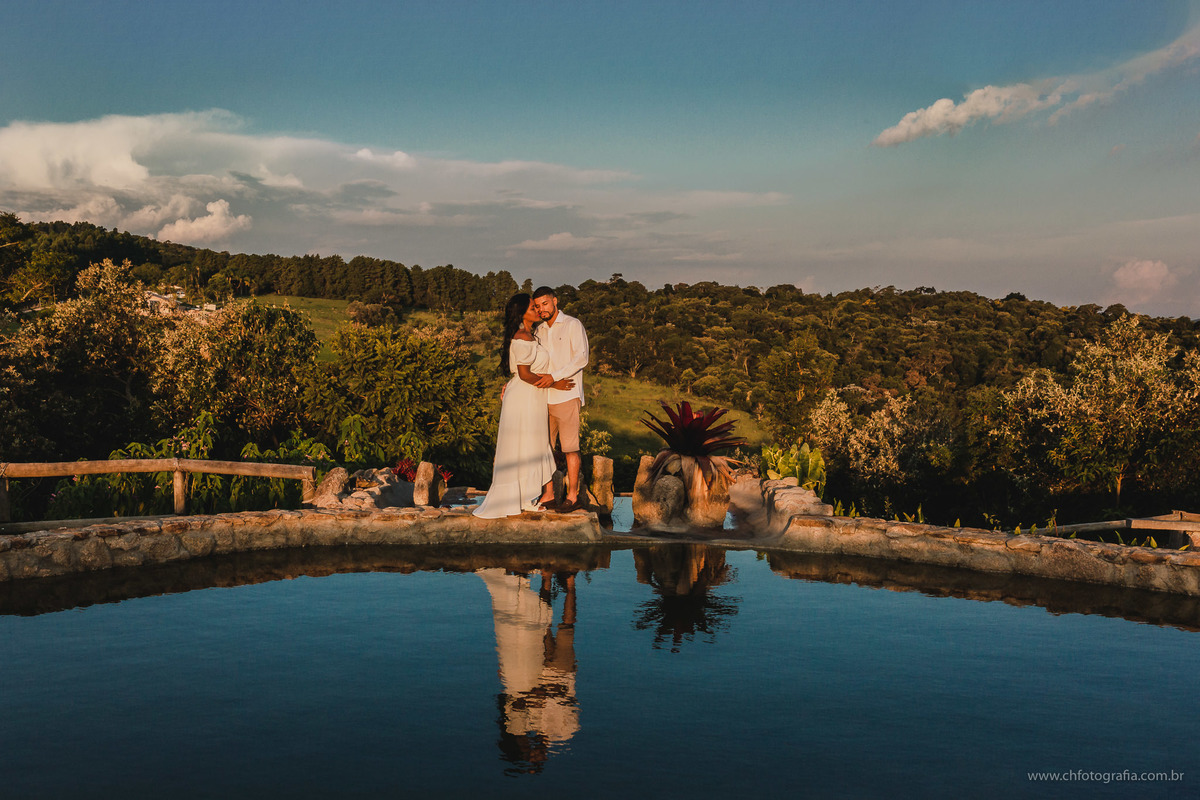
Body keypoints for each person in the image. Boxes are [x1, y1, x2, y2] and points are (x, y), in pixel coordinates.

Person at [474, 293, 574, 519]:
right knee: (523, 445)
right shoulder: (522, 337)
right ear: (521, 313)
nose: (537, 311)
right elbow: (524, 374)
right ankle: (518, 498)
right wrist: (555, 383)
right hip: (524, 397)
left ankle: (526, 497)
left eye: (537, 307)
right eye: (532, 308)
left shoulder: (532, 334)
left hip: (532, 395)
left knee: (530, 445)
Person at [531, 286, 589, 513]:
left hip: (567, 395)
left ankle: (573, 496)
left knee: (570, 448)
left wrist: (555, 377)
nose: (541, 309)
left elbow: (581, 358)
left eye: (544, 303)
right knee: (544, 448)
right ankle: (548, 494)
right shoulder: (539, 330)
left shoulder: (573, 324)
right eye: (537, 306)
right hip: (543, 397)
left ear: (555, 301)